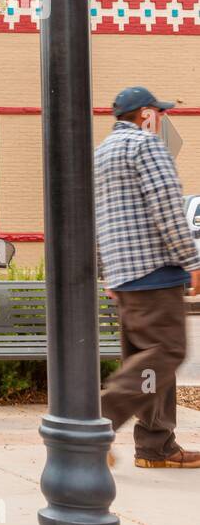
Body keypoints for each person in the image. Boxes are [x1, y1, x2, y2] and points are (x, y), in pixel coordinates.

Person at [94, 86, 200, 469]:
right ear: (146, 114)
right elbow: (167, 206)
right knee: (168, 352)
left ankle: (156, 445)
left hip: (125, 276)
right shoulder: (146, 146)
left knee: (151, 362)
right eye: (160, 112)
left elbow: (99, 219)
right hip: (155, 270)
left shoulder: (101, 153)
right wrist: (192, 259)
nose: (163, 119)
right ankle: (98, 423)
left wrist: (109, 271)